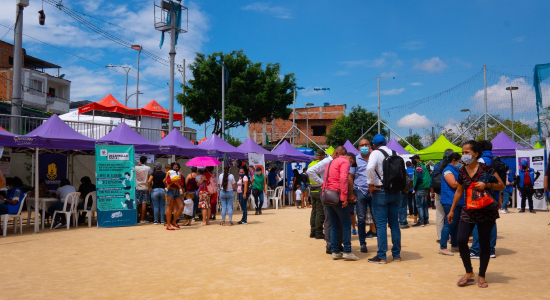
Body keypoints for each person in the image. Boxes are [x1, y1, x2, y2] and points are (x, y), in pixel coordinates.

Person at [448, 140, 504, 288]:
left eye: (467, 152)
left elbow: (501, 185)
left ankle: (482, 275)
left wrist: (487, 185)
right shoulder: (461, 170)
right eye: (463, 152)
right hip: (468, 210)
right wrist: (452, 210)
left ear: (476, 154)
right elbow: (459, 191)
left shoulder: (486, 168)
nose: (464, 155)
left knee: (484, 245)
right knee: (461, 240)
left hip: (486, 211)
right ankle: (469, 272)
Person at [366, 134, 402, 264]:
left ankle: (382, 256)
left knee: (381, 225)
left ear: (374, 145)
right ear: (385, 142)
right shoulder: (394, 152)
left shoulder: (375, 153)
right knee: (394, 224)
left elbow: (370, 168)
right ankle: (397, 255)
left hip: (380, 191)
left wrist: (370, 184)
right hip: (395, 191)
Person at [324, 146, 359, 261]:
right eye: (352, 162)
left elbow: (325, 179)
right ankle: (347, 251)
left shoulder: (331, 162)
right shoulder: (345, 162)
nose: (351, 164)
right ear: (350, 158)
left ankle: (335, 251)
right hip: (337, 195)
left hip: (328, 195)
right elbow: (344, 178)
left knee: (334, 224)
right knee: (346, 223)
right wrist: (344, 197)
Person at [309, 148, 343, 254]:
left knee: (335, 219)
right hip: (327, 192)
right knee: (328, 219)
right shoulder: (326, 161)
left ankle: (336, 243)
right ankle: (330, 244)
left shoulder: (326, 161)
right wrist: (322, 182)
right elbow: (310, 171)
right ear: (336, 153)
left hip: (328, 191)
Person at [350, 139, 376, 253]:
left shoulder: (375, 157)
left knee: (377, 218)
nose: (364, 146)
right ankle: (362, 243)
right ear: (358, 148)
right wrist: (351, 193)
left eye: (366, 144)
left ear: (370, 146)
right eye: (362, 145)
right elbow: (350, 177)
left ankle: (381, 243)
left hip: (374, 191)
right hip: (360, 191)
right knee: (361, 218)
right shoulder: (355, 159)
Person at [439, 152, 463, 256]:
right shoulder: (448, 170)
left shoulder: (454, 169)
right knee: (449, 223)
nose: (460, 163)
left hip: (456, 200)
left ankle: (454, 245)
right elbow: (453, 184)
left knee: (455, 224)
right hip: (449, 200)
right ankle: (443, 247)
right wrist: (464, 182)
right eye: (459, 161)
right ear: (454, 160)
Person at [431, 149, 454, 242]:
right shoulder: (453, 165)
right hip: (450, 193)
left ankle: (440, 236)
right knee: (451, 215)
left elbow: (432, 180)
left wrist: (432, 192)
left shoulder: (437, 165)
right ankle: (452, 236)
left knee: (440, 215)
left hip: (438, 192)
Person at [307, 150, 326, 240]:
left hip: (312, 190)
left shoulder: (311, 164)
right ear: (322, 156)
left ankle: (312, 231)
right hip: (319, 189)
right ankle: (319, 232)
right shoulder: (321, 165)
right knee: (320, 212)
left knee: (314, 211)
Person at [411, 154, 431, 227]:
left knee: (419, 205)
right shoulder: (423, 166)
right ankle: (426, 220)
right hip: (425, 187)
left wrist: (415, 187)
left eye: (414, 159)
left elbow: (419, 177)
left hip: (420, 187)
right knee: (424, 205)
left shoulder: (418, 167)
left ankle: (421, 221)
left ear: (418, 159)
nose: (412, 161)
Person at [165, 162, 184, 230]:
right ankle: (168, 224)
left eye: (177, 167)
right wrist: (173, 181)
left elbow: (181, 183)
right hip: (170, 191)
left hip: (177, 191)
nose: (176, 168)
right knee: (169, 208)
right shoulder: (169, 173)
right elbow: (165, 181)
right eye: (175, 167)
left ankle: (174, 221)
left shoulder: (179, 174)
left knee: (181, 206)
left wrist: (177, 182)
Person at [135, 156, 152, 223]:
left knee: (138, 203)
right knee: (144, 203)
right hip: (145, 187)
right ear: (145, 161)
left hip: (137, 187)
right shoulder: (148, 168)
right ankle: (142, 219)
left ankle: (138, 218)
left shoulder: (135, 167)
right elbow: (150, 177)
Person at [344, 153, 358, 234]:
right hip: (348, 191)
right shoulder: (345, 165)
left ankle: (352, 228)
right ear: (351, 158)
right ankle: (352, 228)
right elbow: (349, 178)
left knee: (350, 212)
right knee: (350, 212)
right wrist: (351, 194)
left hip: (346, 191)